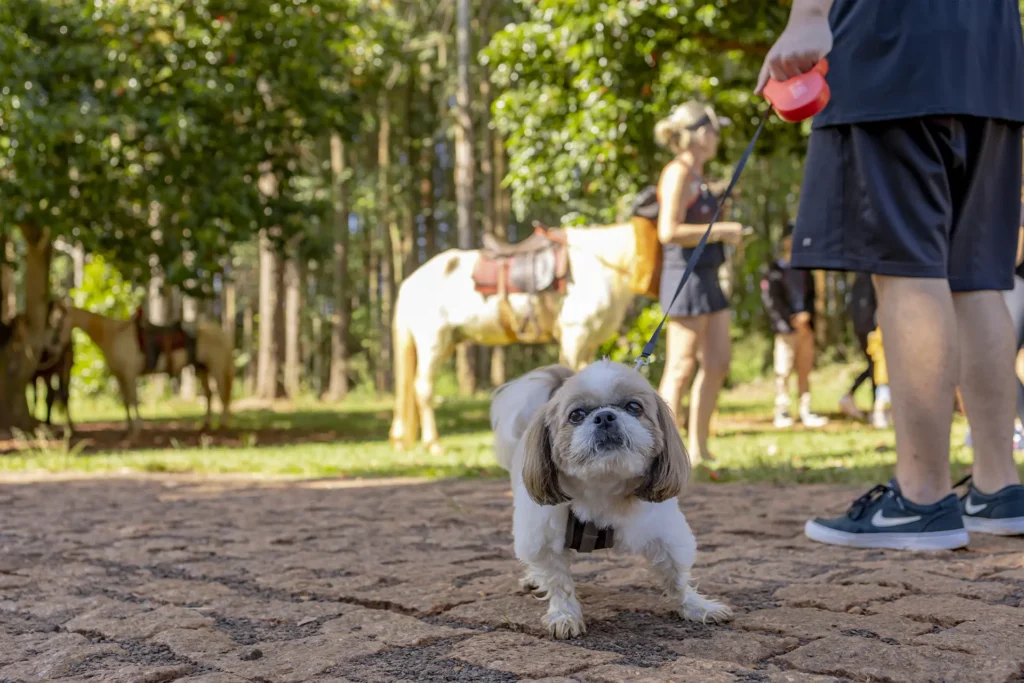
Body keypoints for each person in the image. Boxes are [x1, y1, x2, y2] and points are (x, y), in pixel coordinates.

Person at [756, 0, 1024, 548]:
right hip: (992, 58)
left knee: (906, 271)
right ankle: (1000, 488)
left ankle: (920, 497)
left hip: (890, 50)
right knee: (977, 276)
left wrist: (808, 13)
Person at [653, 100, 744, 464]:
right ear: (698, 134)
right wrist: (721, 230)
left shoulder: (700, 176)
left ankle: (699, 447)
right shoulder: (677, 173)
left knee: (718, 361)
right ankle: (661, 452)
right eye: (714, 130)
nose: (718, 137)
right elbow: (668, 231)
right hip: (684, 276)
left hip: (708, 274)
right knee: (680, 366)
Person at [761, 223, 828, 429]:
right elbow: (772, 300)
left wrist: (807, 317)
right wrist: (789, 320)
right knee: (783, 370)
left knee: (805, 369)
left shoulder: (804, 270)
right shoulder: (773, 270)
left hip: (805, 328)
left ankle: (805, 409)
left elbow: (811, 296)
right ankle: (781, 410)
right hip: (785, 329)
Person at [838, 272, 891, 429]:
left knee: (875, 367)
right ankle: (878, 409)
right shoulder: (873, 274)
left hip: (864, 326)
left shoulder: (861, 275)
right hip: (873, 328)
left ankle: (855, 398)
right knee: (879, 368)